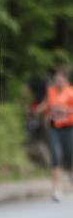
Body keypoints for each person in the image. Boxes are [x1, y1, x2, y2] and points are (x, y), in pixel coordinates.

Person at [36, 64, 73, 202]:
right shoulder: (51, 91)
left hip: (69, 128)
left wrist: (66, 110)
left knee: (69, 156)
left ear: (66, 80)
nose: (58, 83)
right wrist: (38, 109)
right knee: (56, 156)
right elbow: (47, 104)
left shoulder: (70, 92)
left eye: (60, 81)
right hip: (54, 128)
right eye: (56, 80)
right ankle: (56, 189)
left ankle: (70, 171)